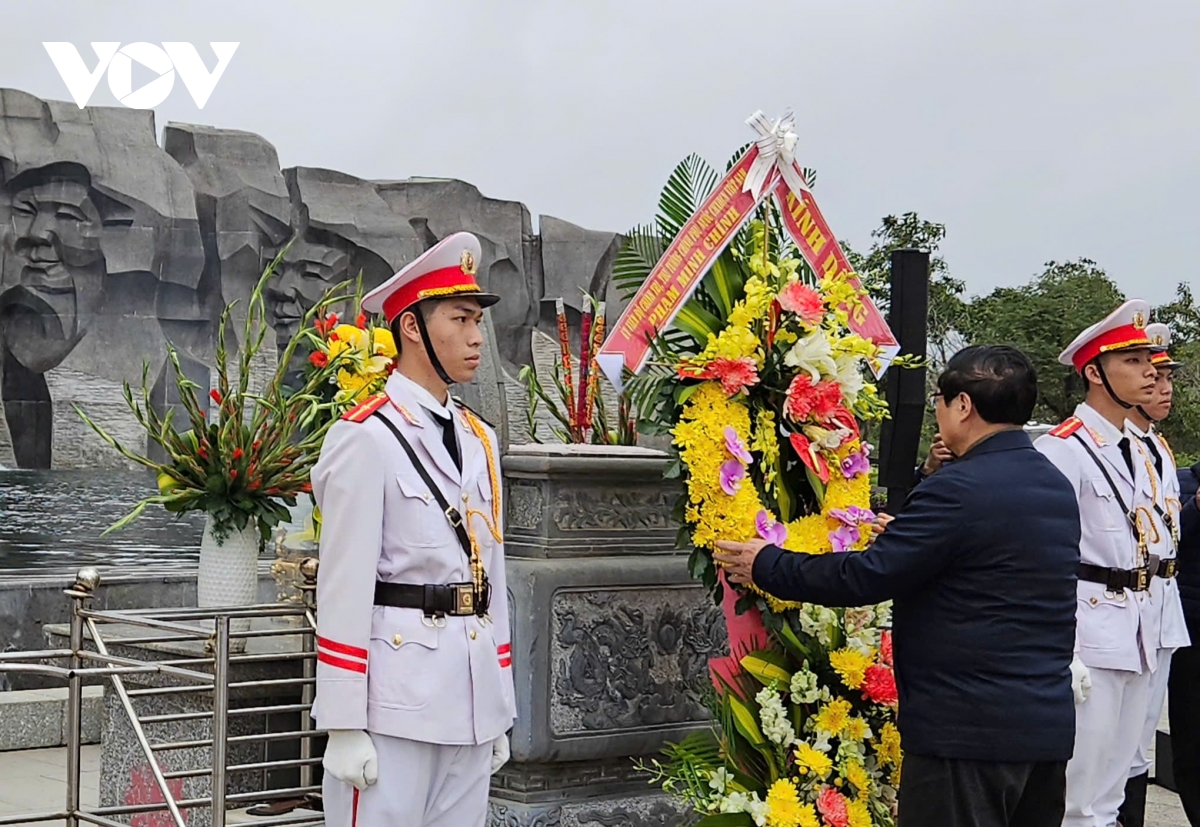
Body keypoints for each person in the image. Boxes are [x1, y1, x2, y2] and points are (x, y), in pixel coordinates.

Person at [715, 345, 1080, 827]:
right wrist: (911, 542)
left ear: (964, 406)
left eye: (940, 400)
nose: (937, 412)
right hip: (1041, 729)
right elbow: (990, 569)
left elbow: (864, 577)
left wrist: (769, 563)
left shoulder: (958, 487)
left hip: (965, 735)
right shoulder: (1053, 484)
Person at [311, 232, 516, 827]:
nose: (477, 336)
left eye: (478, 319)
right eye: (460, 318)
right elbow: (343, 588)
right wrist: (345, 723)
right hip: (393, 704)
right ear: (411, 328)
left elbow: (491, 579)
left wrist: (499, 701)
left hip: (471, 698)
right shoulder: (366, 437)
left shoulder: (481, 440)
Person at [1033, 299, 1164, 827]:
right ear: (1094, 372)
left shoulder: (1136, 446)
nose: (1149, 369)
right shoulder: (1063, 449)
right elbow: (1044, 552)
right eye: (1131, 360)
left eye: (1146, 359)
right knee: (1077, 794)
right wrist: (1061, 646)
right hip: (1088, 631)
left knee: (1115, 787)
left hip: (1139, 626)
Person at [1116, 323, 1190, 827]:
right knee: (1105, 752)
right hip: (1115, 607)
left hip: (1161, 606)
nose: (1160, 385)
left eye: (1165, 375)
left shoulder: (1158, 448)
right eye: (1150, 373)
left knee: (1139, 746)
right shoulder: (1098, 447)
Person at [1175, 447, 1200, 825]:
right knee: (1191, 739)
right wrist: (1196, 507)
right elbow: (1165, 544)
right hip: (1190, 631)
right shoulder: (1178, 482)